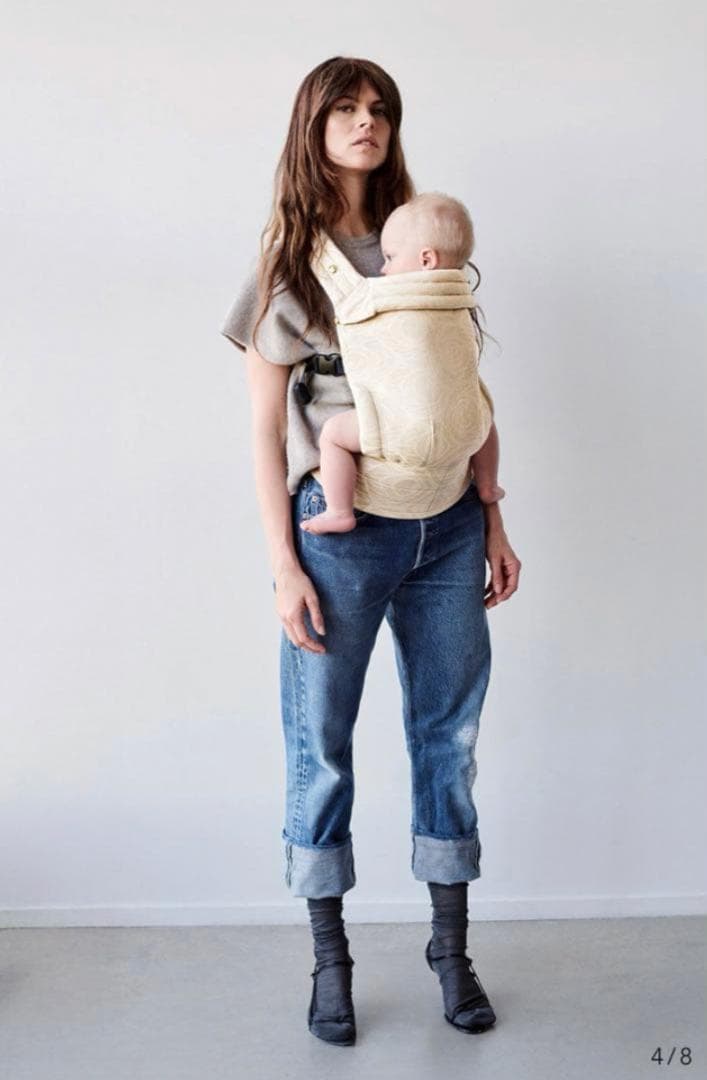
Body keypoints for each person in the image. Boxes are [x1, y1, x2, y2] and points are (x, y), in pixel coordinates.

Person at [220, 56, 521, 1047]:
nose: (366, 121)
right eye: (346, 107)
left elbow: (462, 396)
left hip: (448, 520)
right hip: (339, 534)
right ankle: (330, 960)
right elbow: (265, 432)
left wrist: (494, 521)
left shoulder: (424, 244)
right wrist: (283, 565)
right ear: (311, 125)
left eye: (379, 108)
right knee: (322, 747)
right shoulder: (291, 266)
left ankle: (449, 950)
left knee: (448, 737)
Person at [300, 191, 506, 536]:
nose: (383, 269)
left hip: (405, 432)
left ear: (426, 259)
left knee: (334, 434)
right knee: (481, 417)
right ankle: (488, 485)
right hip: (467, 430)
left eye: (390, 257)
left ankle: (339, 511)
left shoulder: (388, 302)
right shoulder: (458, 301)